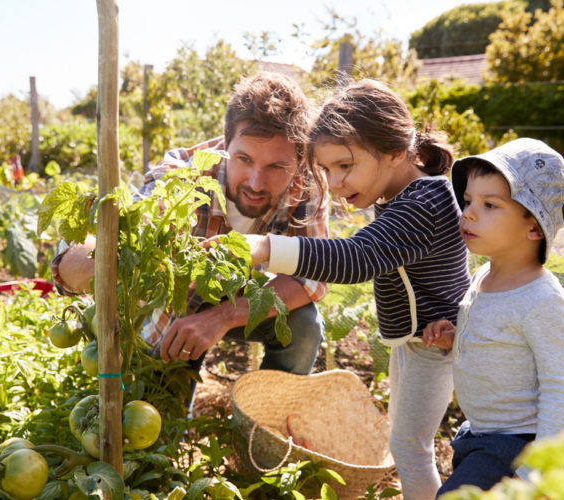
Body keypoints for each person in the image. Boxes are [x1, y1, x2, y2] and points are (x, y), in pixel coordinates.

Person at [240, 79, 471, 499]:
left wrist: (264, 248)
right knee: (408, 442)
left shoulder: (425, 203)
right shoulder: (403, 194)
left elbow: (356, 258)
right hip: (419, 341)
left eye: (345, 166)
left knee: (408, 447)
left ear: (396, 152)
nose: (336, 183)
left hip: (437, 344)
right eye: (326, 170)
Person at [51, 71, 329, 385]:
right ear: (226, 143)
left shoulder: (309, 184)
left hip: (247, 296)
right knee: (162, 407)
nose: (256, 182)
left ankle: (268, 420)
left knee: (304, 325)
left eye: (277, 166)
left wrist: (223, 316)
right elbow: (123, 233)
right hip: (178, 310)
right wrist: (99, 255)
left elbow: (312, 276)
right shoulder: (183, 175)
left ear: (299, 158)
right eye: (244, 159)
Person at [422, 138, 564, 497]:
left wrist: (534, 474)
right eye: (468, 201)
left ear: (535, 228)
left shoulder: (543, 302)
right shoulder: (484, 276)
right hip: (478, 434)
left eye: (490, 204)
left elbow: (561, 394)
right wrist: (456, 336)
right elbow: (498, 339)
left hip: (516, 447)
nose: (469, 213)